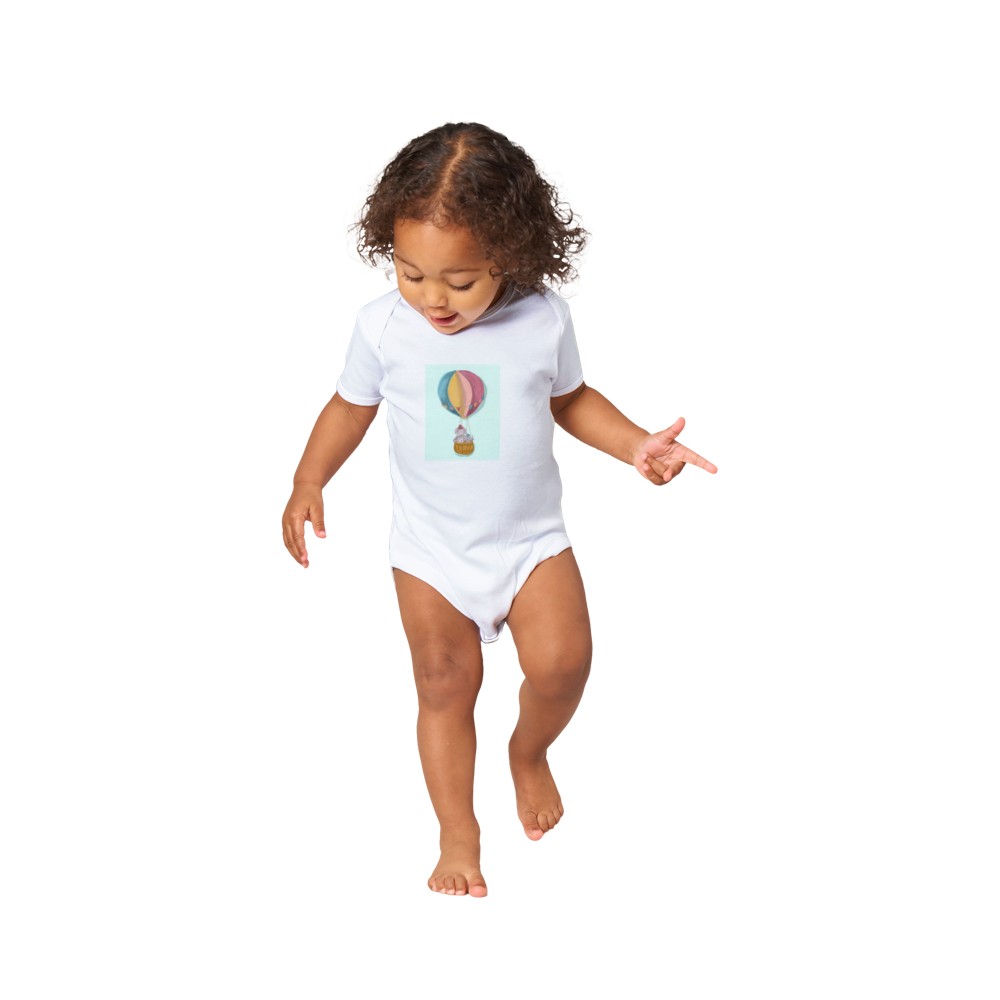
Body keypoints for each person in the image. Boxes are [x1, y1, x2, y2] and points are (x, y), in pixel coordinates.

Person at [282, 123, 718, 898]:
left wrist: (634, 445)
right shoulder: (383, 326)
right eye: (411, 272)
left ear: (509, 255)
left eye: (459, 280)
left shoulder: (541, 317)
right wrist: (309, 478)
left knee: (564, 666)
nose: (432, 298)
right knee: (443, 683)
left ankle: (529, 751)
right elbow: (349, 407)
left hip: (530, 542)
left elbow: (571, 399)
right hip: (430, 550)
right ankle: (458, 832)